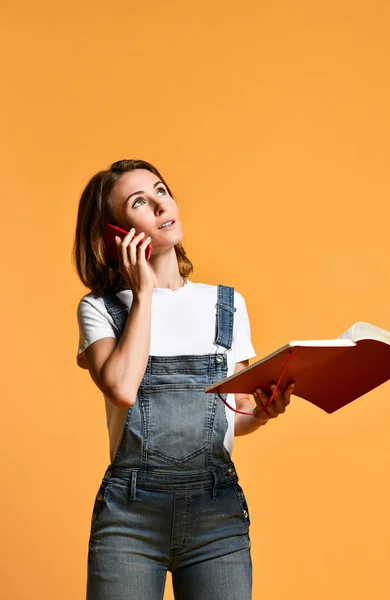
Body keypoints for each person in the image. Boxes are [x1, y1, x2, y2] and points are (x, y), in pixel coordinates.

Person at [73, 159, 293, 600]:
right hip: (130, 519)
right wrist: (143, 295)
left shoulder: (226, 305)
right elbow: (121, 388)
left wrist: (263, 412)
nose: (160, 205)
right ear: (115, 233)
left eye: (161, 191)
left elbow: (234, 413)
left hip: (217, 514)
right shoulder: (100, 309)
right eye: (140, 202)